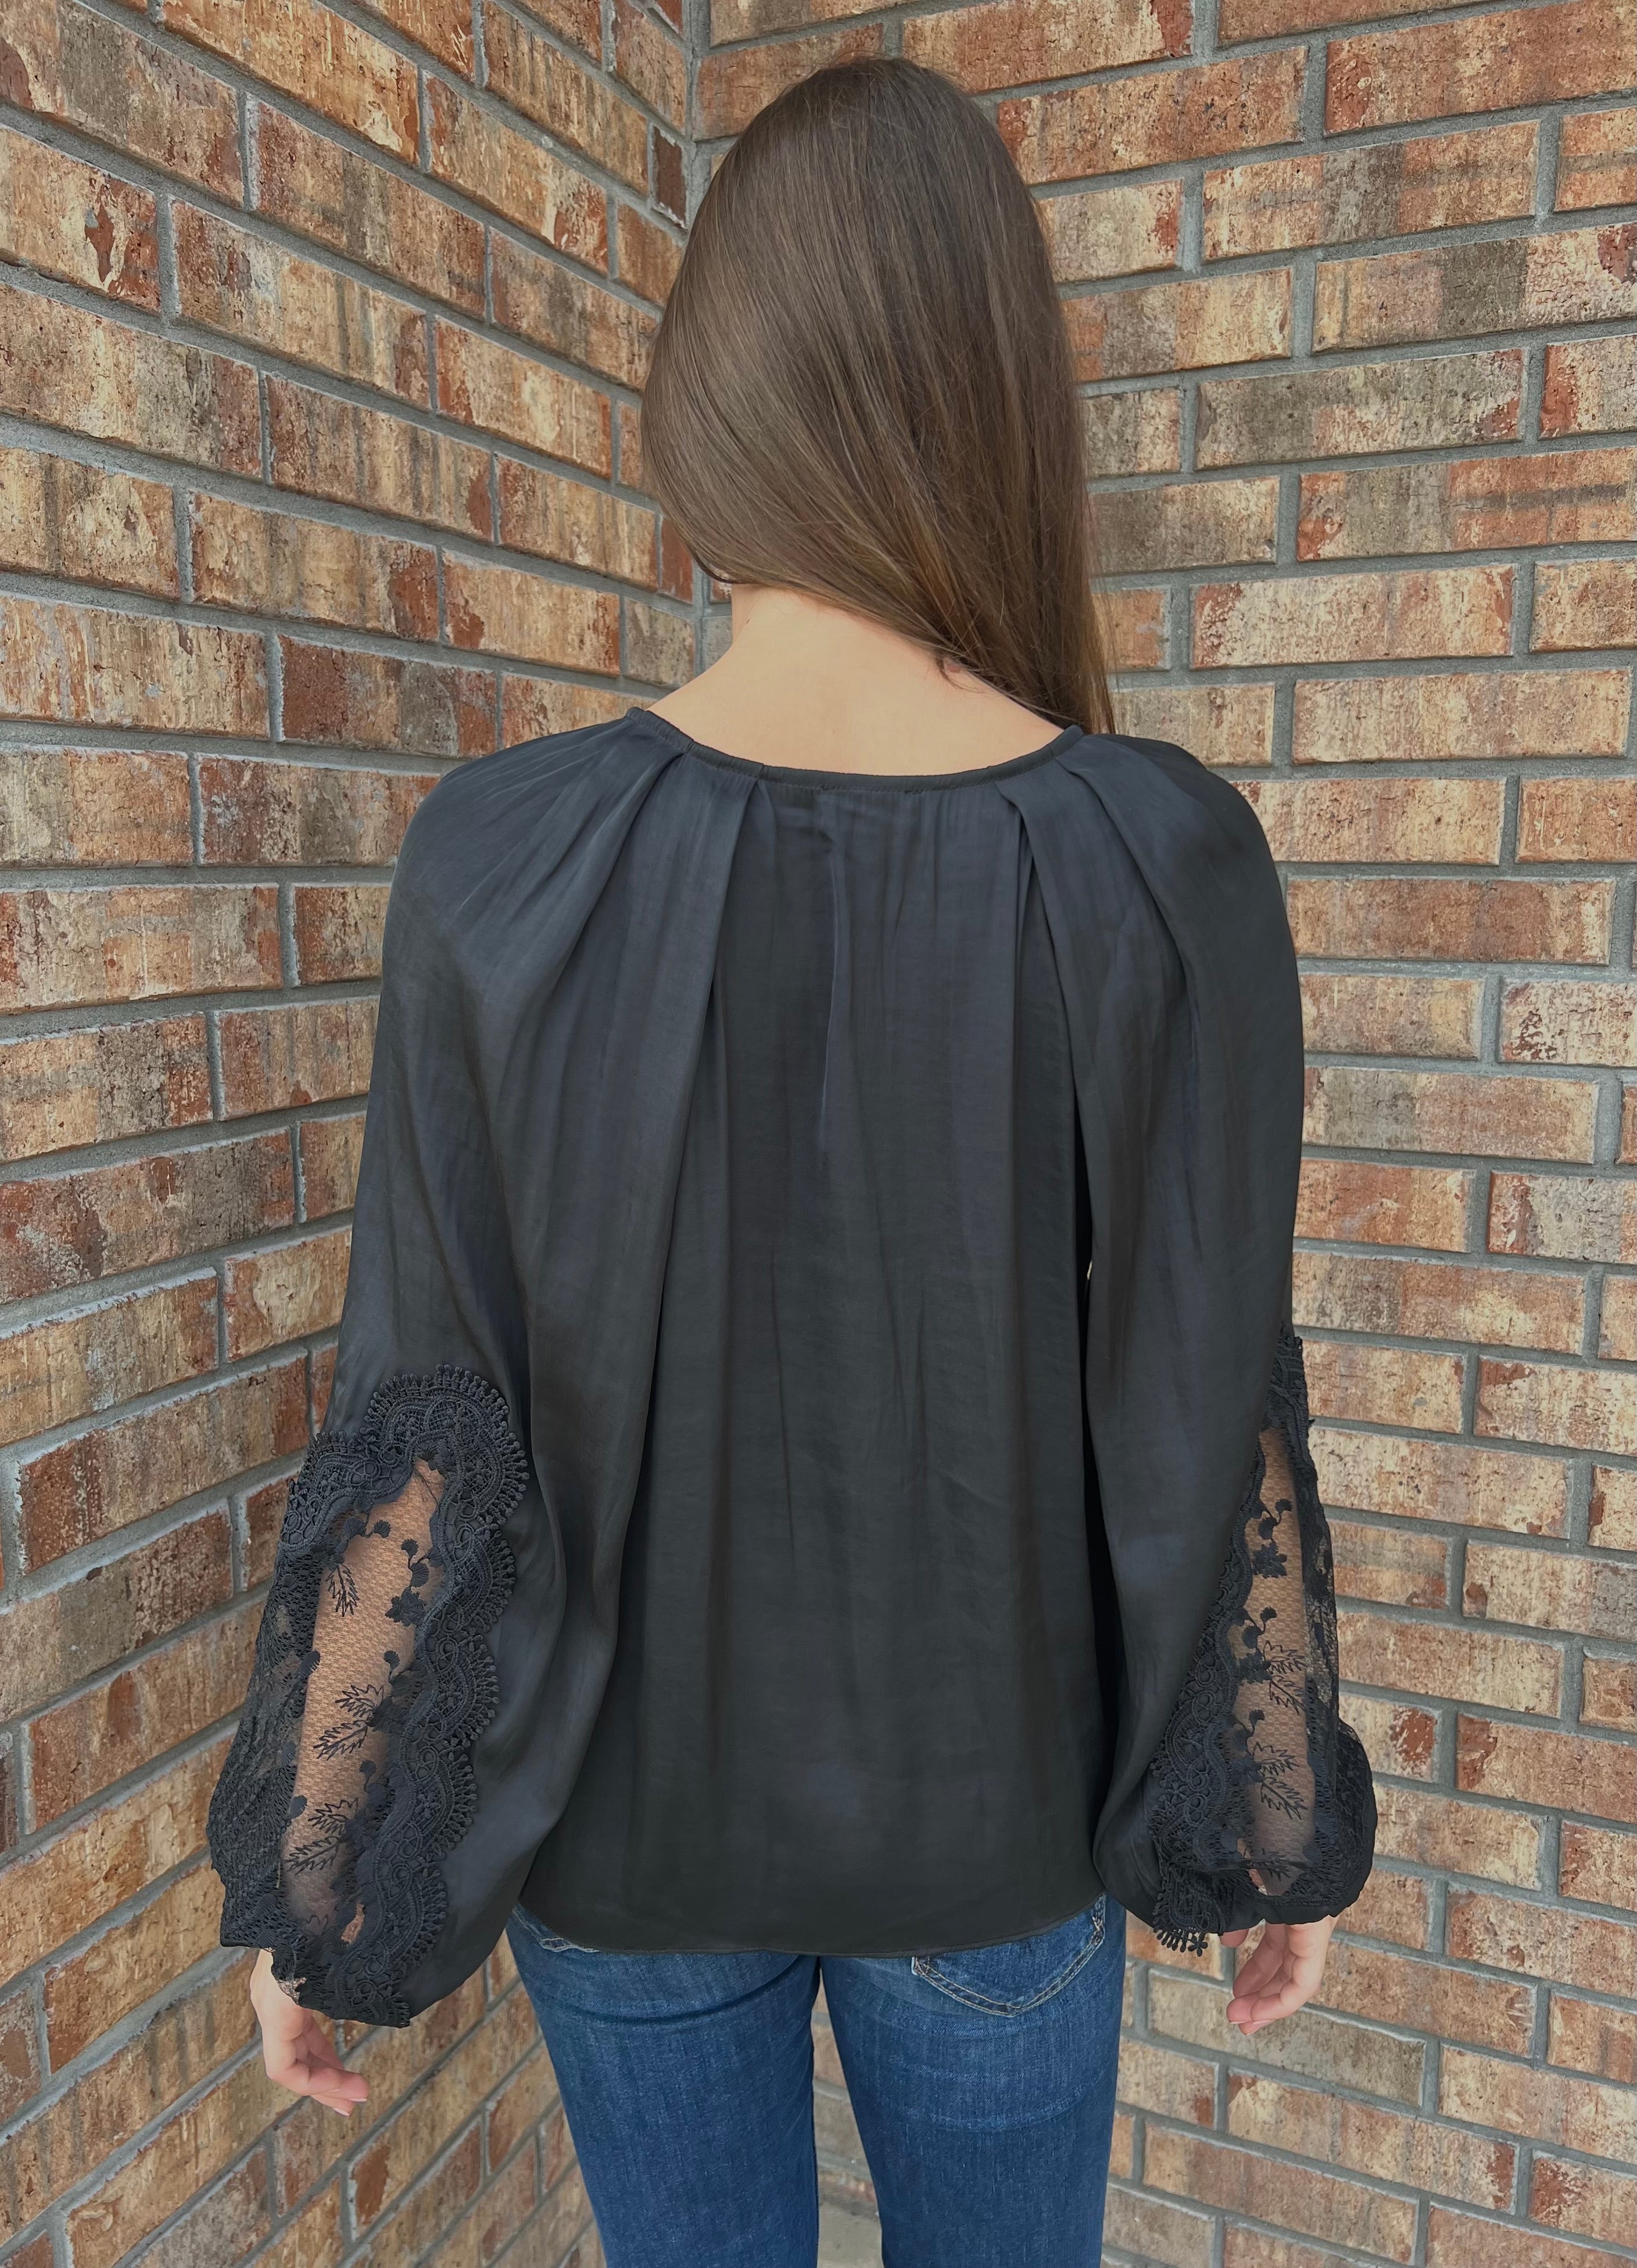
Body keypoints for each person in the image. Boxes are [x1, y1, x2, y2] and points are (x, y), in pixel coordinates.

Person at [205, 54, 1377, 2268]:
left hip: (627, 1857)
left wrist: (330, 1879)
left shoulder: (504, 863)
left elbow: (428, 1409)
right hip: (994, 1844)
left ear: (711, 399)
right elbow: (1201, 1387)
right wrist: (1266, 1798)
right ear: (999, 402)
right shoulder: (1158, 861)